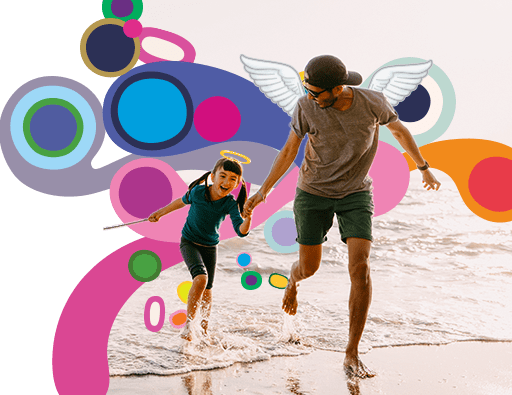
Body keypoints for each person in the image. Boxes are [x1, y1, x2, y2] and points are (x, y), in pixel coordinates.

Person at [243, 55, 441, 378]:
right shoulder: (306, 107)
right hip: (313, 193)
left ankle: (352, 352)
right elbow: (289, 149)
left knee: (360, 267)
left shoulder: (373, 103)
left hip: (355, 194)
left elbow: (400, 131)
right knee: (309, 268)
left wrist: (423, 167)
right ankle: (293, 280)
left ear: (337, 88)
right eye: (307, 90)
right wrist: (264, 191)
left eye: (315, 92)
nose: (309, 97)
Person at [149, 157, 253, 341]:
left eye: (232, 179)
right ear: (213, 176)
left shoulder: (230, 203)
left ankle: (204, 330)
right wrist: (160, 213)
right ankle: (189, 326)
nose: (226, 182)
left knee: (208, 288)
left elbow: (241, 231)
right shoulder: (198, 192)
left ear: (237, 184)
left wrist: (248, 218)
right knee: (201, 279)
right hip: (189, 242)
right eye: (223, 176)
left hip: (210, 248)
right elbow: (181, 202)